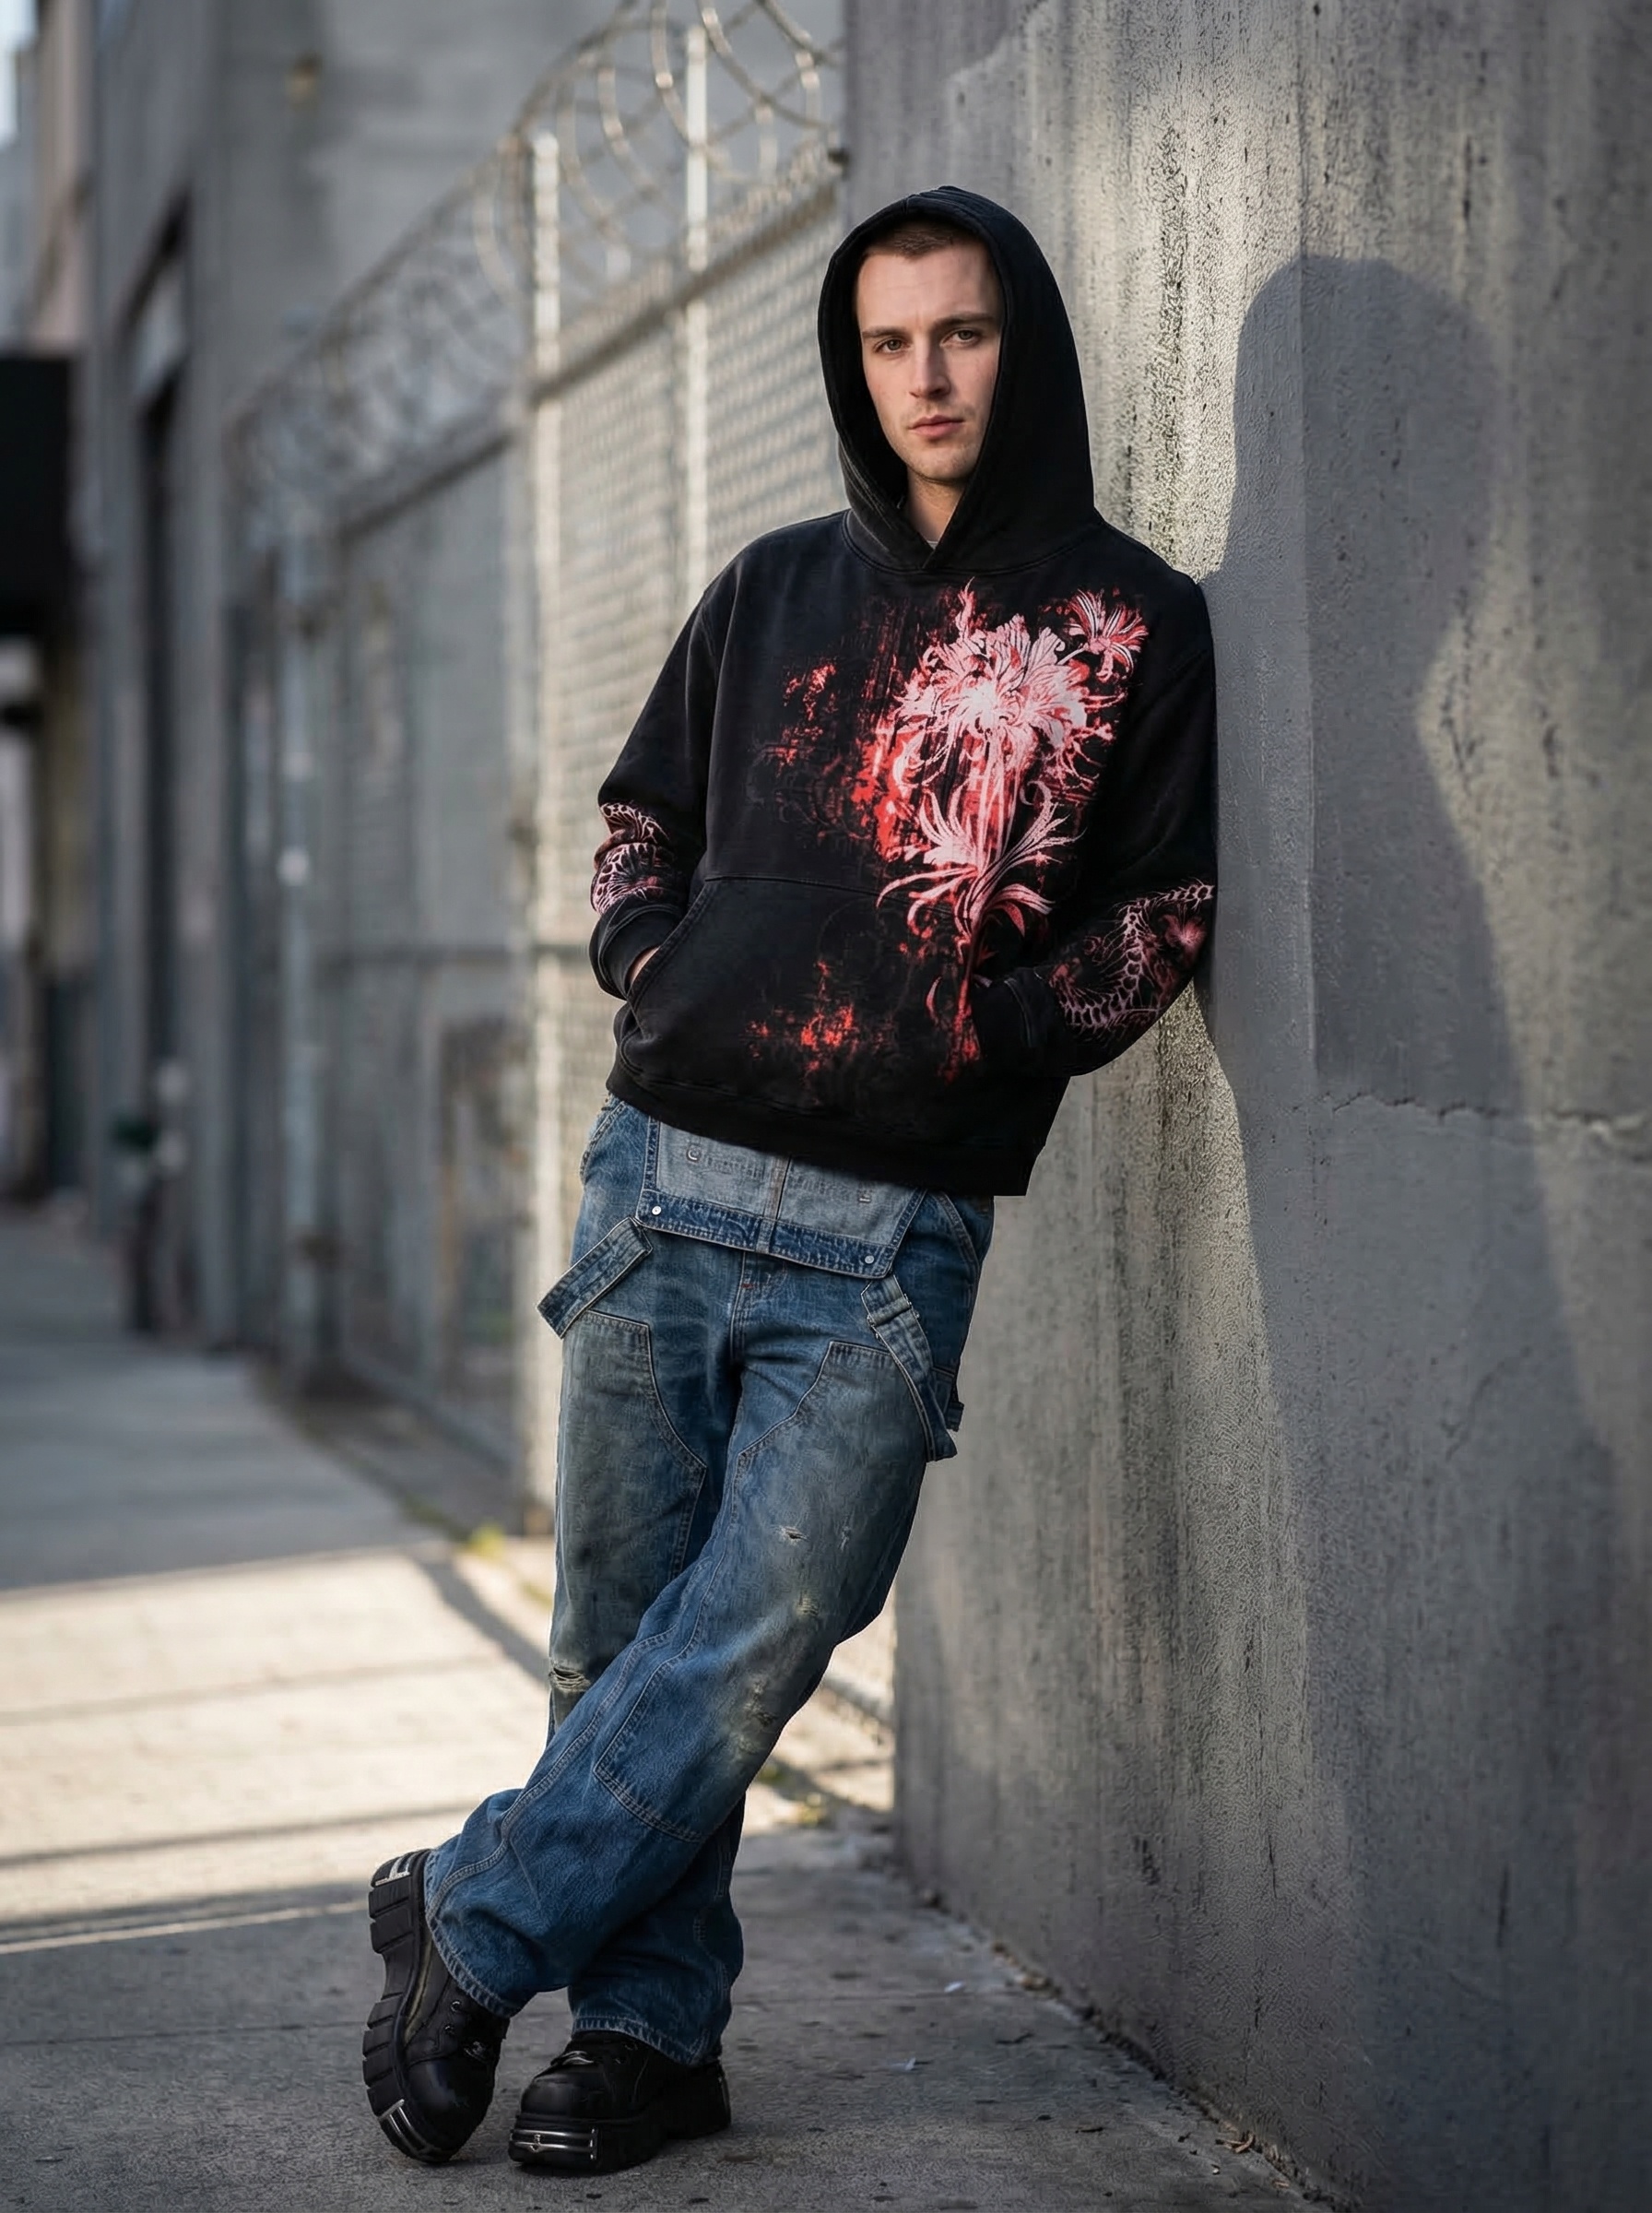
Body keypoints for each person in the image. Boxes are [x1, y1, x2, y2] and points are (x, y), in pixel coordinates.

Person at [361, 184, 1216, 2176]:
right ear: (853, 362)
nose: (926, 377)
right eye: (888, 341)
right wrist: (657, 968)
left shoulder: (1131, 623)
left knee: (760, 1633)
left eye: (963, 333)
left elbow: (1161, 916)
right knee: (619, 1637)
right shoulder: (766, 589)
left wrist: (979, 1038)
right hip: (665, 1176)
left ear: (1024, 346)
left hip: (890, 1227)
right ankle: (648, 2039)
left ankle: (466, 1921)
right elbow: (634, 822)